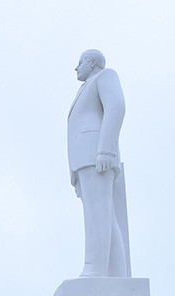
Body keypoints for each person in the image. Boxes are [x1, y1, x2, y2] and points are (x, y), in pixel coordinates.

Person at [68, 49, 131, 278]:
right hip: (84, 158)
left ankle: (94, 268)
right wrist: (74, 173)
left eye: (81, 61)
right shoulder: (84, 88)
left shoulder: (105, 76)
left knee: (100, 211)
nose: (76, 67)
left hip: (96, 153)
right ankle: (116, 273)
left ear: (93, 62)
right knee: (103, 213)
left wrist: (105, 149)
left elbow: (116, 106)